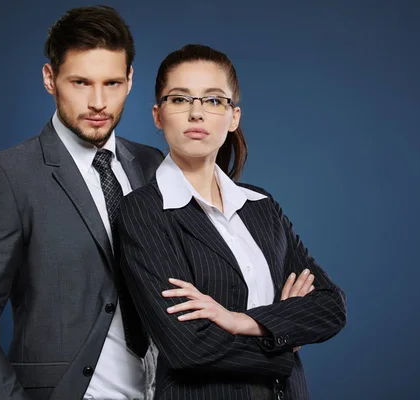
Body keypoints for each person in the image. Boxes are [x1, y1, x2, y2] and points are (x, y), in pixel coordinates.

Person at [0, 6, 164, 400]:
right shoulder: (6, 176)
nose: (98, 102)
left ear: (130, 80)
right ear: (50, 79)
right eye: (80, 82)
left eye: (112, 83)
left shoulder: (152, 165)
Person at [117, 44, 347, 400]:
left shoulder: (260, 205)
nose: (197, 114)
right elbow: (189, 348)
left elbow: (330, 306)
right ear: (158, 116)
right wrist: (285, 334)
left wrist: (243, 321)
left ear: (233, 117)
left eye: (213, 100)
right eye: (179, 99)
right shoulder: (144, 211)